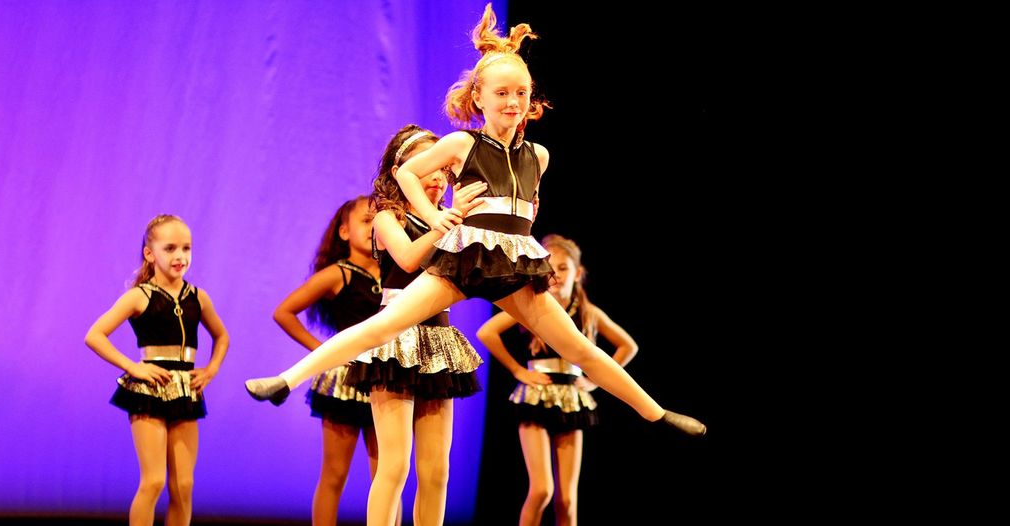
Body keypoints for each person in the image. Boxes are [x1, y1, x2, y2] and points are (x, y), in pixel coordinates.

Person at [243, 2, 704, 441]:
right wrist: (434, 217)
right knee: (381, 326)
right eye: (501, 93)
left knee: (579, 347)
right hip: (465, 259)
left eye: (521, 93)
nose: (513, 101)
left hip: (515, 268)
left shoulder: (538, 156)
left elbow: (525, 205)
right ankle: (286, 379)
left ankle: (655, 412)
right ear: (478, 97)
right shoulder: (463, 145)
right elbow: (406, 172)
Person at [346, 124, 488, 525]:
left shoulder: (448, 219)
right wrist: (449, 221)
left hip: (438, 340)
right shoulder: (387, 217)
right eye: (431, 167)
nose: (441, 176)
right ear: (400, 171)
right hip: (396, 337)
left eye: (445, 169)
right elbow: (408, 259)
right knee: (394, 468)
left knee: (437, 471)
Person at [476, 234, 637, 526]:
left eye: (564, 268)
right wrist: (518, 371)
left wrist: (594, 380)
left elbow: (628, 346)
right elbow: (486, 332)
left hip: (572, 398)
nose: (556, 274)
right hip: (536, 396)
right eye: (551, 267)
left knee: (567, 499)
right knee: (541, 490)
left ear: (578, 273)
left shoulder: (589, 312)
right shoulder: (534, 304)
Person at [258, 195, 397, 526]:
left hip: (386, 378)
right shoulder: (339, 274)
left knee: (389, 473)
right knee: (335, 475)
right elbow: (284, 312)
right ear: (344, 232)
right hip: (344, 385)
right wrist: (322, 352)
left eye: (378, 219)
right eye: (365, 220)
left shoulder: (395, 272)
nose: (373, 226)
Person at [85, 214, 230, 526]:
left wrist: (211, 370)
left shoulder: (198, 297)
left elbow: (222, 336)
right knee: (154, 482)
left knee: (184, 486)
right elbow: (94, 335)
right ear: (150, 254)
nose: (180, 256)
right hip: (150, 392)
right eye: (170, 248)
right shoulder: (140, 296)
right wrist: (133, 367)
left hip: (186, 392)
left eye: (186, 248)